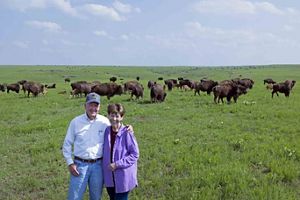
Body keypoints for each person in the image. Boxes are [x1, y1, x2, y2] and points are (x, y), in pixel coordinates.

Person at [62, 93, 132, 200]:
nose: (93, 108)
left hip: (98, 166)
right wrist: (70, 163)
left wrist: (128, 128)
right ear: (85, 106)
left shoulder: (104, 121)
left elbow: (117, 124)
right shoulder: (76, 122)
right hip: (80, 165)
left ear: (99, 107)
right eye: (91, 105)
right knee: (74, 197)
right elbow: (67, 144)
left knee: (96, 197)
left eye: (96, 105)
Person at [103, 103, 139, 200]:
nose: (114, 119)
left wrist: (117, 164)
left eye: (117, 116)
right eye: (112, 115)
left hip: (123, 176)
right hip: (109, 176)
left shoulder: (127, 132)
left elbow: (135, 154)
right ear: (108, 115)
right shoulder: (106, 131)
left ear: (122, 117)